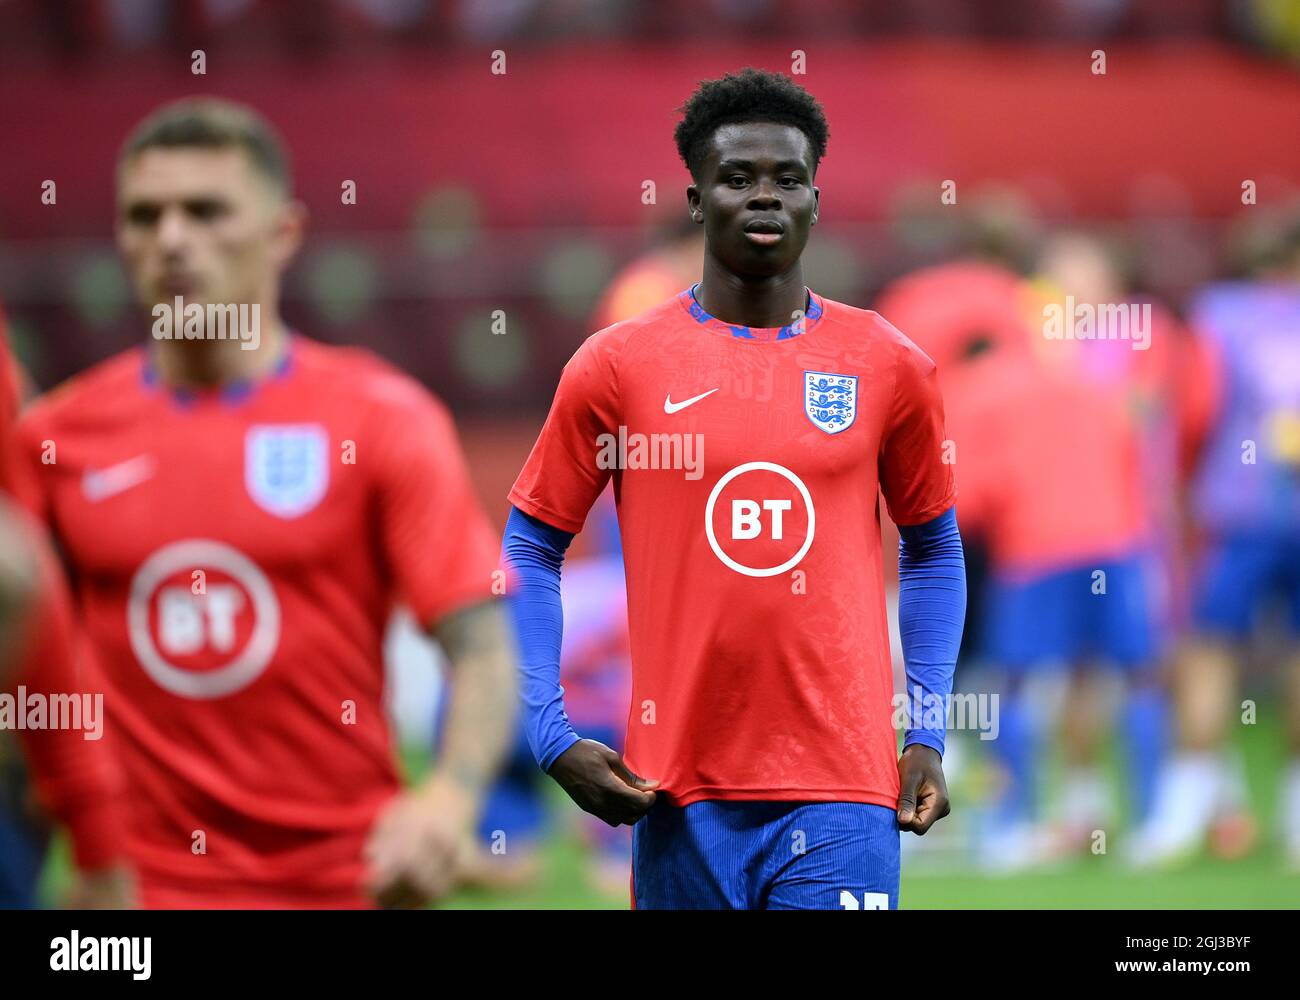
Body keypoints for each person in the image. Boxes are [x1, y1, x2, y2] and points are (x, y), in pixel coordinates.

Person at [11, 98, 517, 908]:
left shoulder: (381, 418)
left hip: (344, 884)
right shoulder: (54, 440)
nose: (172, 238)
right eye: (145, 216)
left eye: (206, 211)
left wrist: (448, 802)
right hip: (131, 897)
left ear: (283, 233)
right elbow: (25, 667)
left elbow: (483, 643)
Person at [504, 68, 965, 909]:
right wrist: (548, 732)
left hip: (845, 787)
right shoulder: (617, 365)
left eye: (788, 179)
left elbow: (934, 546)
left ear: (816, 200)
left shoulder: (887, 363)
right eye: (738, 178)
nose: (765, 197)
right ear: (696, 200)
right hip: (675, 786)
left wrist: (928, 732)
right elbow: (531, 542)